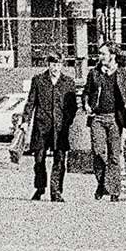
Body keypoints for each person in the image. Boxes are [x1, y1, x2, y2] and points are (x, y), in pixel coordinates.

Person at [21, 51, 80, 203]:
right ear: (48, 65)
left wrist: (67, 121)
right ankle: (40, 187)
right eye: (53, 64)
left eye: (58, 64)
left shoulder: (68, 82)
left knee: (59, 160)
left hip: (60, 128)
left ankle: (56, 191)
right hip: (41, 127)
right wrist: (25, 121)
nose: (55, 68)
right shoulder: (39, 80)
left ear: (62, 65)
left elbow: (72, 106)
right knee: (39, 159)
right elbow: (30, 102)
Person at [82, 40, 126, 201]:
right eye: (100, 53)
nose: (100, 56)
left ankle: (113, 191)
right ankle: (102, 183)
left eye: (103, 53)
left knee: (114, 156)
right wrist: (86, 105)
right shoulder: (94, 73)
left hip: (115, 119)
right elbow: (86, 92)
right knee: (98, 152)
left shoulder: (125, 72)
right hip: (97, 118)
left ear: (112, 55)